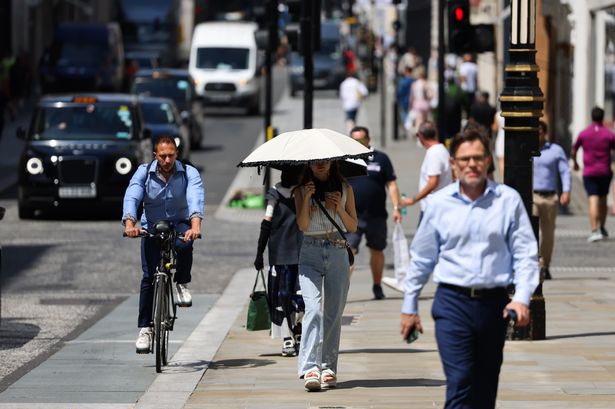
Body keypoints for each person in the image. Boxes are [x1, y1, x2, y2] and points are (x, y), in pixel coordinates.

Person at [400, 128, 539, 409]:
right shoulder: (439, 204)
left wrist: (522, 299)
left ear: (488, 161)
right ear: (453, 165)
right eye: (464, 159)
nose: (471, 164)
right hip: (453, 303)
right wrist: (409, 306)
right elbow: (422, 258)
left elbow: (525, 253)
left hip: (493, 304)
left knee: (485, 388)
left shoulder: (507, 200)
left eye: (477, 158)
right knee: (461, 381)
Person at [122, 136, 205, 353]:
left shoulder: (188, 172)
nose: (167, 160)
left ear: (176, 154)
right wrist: (130, 223)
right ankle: (145, 329)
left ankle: (181, 283)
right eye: (162, 156)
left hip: (180, 222)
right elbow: (132, 195)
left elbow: (195, 197)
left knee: (185, 246)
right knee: (149, 277)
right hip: (153, 225)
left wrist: (195, 227)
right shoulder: (144, 172)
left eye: (171, 155)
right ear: (155, 156)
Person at [294, 159, 357, 392]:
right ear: (308, 165)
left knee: (333, 312)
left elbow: (352, 226)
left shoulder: (346, 188)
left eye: (324, 161)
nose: (320, 165)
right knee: (312, 309)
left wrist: (339, 207)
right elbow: (302, 225)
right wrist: (308, 200)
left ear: (332, 163)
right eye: (315, 162)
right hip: (310, 251)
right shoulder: (300, 190)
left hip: (338, 251)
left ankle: (329, 366)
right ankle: (310, 367)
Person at [346, 126, 402, 300]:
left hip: (376, 215)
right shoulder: (345, 160)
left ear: (368, 140)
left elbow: (391, 184)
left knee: (377, 250)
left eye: (361, 140)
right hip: (352, 215)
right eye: (354, 140)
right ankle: (341, 289)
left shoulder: (381, 159)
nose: (358, 143)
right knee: (348, 251)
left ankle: (377, 286)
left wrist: (396, 207)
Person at [253, 168, 305, 357]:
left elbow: (266, 224)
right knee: (282, 298)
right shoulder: (275, 193)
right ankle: (287, 337)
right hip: (281, 254)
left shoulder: (304, 191)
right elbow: (266, 222)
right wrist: (259, 252)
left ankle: (297, 330)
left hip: (300, 252)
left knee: (301, 298)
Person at [533, 120, 571, 280]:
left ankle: (545, 265)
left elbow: (565, 171)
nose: (538, 135)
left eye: (540, 132)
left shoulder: (556, 150)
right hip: (532, 197)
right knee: (531, 231)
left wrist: (566, 191)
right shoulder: (527, 150)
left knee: (548, 235)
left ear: (545, 133)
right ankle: (532, 263)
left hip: (550, 197)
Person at [572, 107, 615, 242]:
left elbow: (574, 150)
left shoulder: (584, 133)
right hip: (605, 171)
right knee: (602, 199)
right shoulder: (608, 134)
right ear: (602, 118)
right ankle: (601, 226)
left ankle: (594, 229)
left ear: (591, 117)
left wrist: (575, 163)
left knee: (592, 198)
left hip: (589, 171)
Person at [400, 121, 452, 223]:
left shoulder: (434, 153)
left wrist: (413, 199)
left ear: (421, 136)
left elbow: (433, 182)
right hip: (438, 207)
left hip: (432, 209)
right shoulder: (441, 150)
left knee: (422, 239)